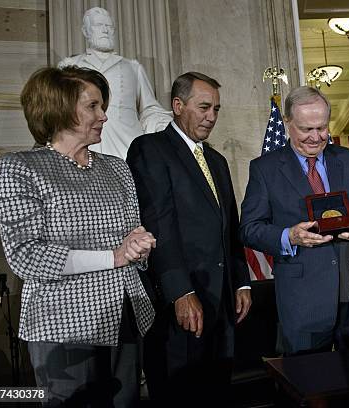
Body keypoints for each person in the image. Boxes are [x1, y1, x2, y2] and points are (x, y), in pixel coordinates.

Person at [0, 66, 156, 406]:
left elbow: (130, 237)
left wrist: (139, 249)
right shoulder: (21, 167)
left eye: (102, 106)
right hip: (63, 327)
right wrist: (114, 256)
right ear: (60, 108)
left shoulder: (117, 167)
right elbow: (26, 255)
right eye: (93, 106)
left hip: (124, 315)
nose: (104, 116)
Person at [126, 72, 252, 405]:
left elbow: (230, 226)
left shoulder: (217, 160)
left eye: (217, 109)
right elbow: (158, 225)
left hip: (221, 303)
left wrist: (241, 282)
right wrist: (180, 290)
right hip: (180, 304)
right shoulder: (149, 149)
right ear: (178, 105)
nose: (211, 116)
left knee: (217, 393)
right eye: (204, 107)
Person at [240, 86, 349, 355]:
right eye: (306, 129)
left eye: (321, 128)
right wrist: (289, 236)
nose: (316, 137)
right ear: (287, 124)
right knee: (311, 386)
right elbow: (249, 229)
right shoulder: (264, 169)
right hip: (303, 302)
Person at [59, 6, 171, 159]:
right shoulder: (69, 65)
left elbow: (149, 108)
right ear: (86, 31)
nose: (105, 30)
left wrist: (166, 126)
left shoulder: (133, 67)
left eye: (109, 26)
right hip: (84, 143)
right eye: (99, 25)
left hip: (127, 144)